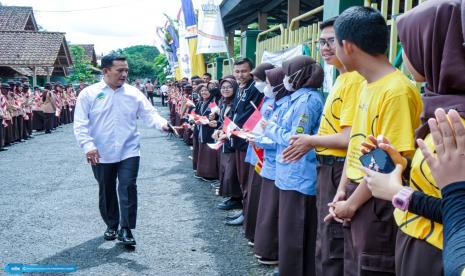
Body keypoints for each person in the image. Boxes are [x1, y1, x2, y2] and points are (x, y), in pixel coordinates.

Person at [359, 1, 465, 275]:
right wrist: (403, 169)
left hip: (442, 253)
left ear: (435, 47)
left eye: (407, 44)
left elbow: (458, 206)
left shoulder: (456, 120)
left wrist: (399, 193)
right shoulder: (441, 103)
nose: (403, 55)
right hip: (421, 241)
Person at [325, 6, 423, 275]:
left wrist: (351, 204)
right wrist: (342, 189)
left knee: (370, 267)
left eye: (333, 42)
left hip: (377, 201)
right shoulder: (368, 85)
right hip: (359, 192)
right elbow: (357, 145)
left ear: (347, 45)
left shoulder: (396, 91)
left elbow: (387, 162)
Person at [281, 17, 365, 276]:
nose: (326, 48)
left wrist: (310, 140)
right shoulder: (340, 79)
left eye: (332, 41)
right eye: (322, 42)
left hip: (339, 167)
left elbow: (349, 137)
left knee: (333, 240)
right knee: (326, 237)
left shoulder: (353, 81)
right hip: (328, 167)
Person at [73, 54, 169, 246]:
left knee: (128, 186)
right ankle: (111, 224)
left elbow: (150, 114)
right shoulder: (89, 94)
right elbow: (80, 124)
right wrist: (88, 146)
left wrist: (164, 125)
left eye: (126, 70)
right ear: (106, 71)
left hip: (129, 150)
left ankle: (126, 229)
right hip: (100, 152)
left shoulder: (133, 93)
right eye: (120, 70)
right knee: (106, 189)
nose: (124, 74)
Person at [263, 55, 324, 276]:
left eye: (288, 74)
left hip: (299, 173)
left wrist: (269, 128)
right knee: (289, 227)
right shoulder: (297, 98)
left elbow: (295, 139)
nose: (285, 78)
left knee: (297, 228)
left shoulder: (307, 101)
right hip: (290, 171)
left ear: (299, 76)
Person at [218, 58, 263, 221]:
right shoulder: (239, 88)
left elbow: (250, 116)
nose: (240, 74)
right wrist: (225, 130)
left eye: (244, 71)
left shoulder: (256, 89)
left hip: (247, 140)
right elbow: (235, 114)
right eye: (237, 71)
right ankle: (244, 209)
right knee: (241, 178)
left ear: (251, 70)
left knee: (247, 179)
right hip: (236, 139)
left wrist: (232, 131)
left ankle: (248, 214)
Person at [253, 66, 289, 265]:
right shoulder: (277, 102)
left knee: (274, 209)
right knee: (267, 207)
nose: (266, 87)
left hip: (281, 165)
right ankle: (266, 249)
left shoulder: (289, 103)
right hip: (271, 163)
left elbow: (284, 136)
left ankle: (272, 252)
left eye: (269, 83)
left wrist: (260, 139)